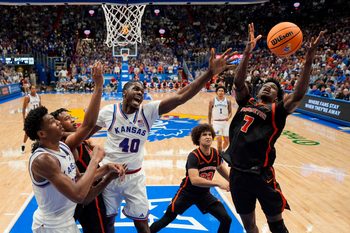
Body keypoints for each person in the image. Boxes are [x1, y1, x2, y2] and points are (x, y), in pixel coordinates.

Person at [91, 48, 237, 233]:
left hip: (134, 177)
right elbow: (86, 132)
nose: (140, 93)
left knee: (143, 225)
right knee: (108, 223)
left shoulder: (148, 111)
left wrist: (209, 73)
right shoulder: (108, 112)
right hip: (108, 176)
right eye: (135, 89)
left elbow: (181, 96)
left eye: (142, 91)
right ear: (124, 92)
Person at [224, 23, 325, 233]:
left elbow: (297, 95)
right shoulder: (247, 102)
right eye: (266, 85)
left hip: (261, 175)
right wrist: (247, 52)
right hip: (237, 175)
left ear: (277, 97)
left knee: (276, 225)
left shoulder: (277, 111)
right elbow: (239, 81)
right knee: (249, 226)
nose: (269, 86)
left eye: (274, 88)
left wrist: (308, 60)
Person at [25, 62, 125, 233]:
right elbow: (78, 195)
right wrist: (95, 159)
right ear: (42, 134)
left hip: (65, 223)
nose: (58, 122)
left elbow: (83, 193)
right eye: (53, 121)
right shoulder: (43, 160)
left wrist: (107, 172)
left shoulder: (63, 148)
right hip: (51, 227)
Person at [51, 107, 125, 233]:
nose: (73, 121)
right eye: (67, 119)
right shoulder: (69, 143)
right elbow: (88, 126)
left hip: (89, 193)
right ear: (59, 126)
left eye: (71, 117)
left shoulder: (79, 141)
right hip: (90, 197)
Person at [150, 123, 232, 233]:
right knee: (166, 219)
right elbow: (194, 180)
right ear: (198, 138)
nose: (208, 137)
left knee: (226, 219)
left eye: (209, 134)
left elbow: (220, 167)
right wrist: (218, 183)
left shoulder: (215, 153)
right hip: (187, 193)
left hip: (204, 194)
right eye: (204, 135)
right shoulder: (194, 156)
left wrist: (230, 180)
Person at [208, 86, 232, 153]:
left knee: (227, 141)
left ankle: (222, 151)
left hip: (225, 123)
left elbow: (230, 112)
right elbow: (209, 112)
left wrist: (229, 117)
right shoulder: (212, 100)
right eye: (219, 91)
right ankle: (219, 155)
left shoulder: (228, 101)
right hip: (216, 123)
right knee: (219, 141)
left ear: (224, 92)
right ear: (216, 92)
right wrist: (209, 123)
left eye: (222, 91)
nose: (221, 92)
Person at [22, 85, 41, 153]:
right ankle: (23, 145)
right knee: (27, 132)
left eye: (35, 88)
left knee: (38, 131)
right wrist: (24, 118)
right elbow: (23, 108)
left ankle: (38, 146)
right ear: (30, 90)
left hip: (37, 117)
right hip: (30, 117)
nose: (34, 90)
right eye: (32, 88)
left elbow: (40, 106)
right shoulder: (27, 97)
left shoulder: (39, 96)